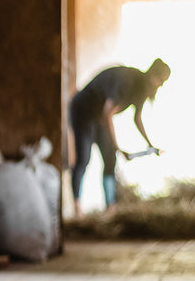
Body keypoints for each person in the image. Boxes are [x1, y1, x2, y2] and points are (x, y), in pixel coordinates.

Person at [70, 58, 171, 215]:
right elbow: (108, 113)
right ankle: (77, 208)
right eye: (160, 81)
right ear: (152, 76)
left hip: (99, 117)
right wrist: (118, 147)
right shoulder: (127, 81)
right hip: (83, 112)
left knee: (110, 159)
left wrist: (149, 143)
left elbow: (137, 119)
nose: (160, 85)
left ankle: (111, 209)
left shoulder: (142, 91)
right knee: (84, 158)